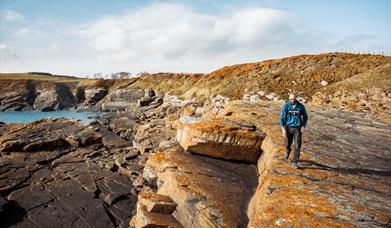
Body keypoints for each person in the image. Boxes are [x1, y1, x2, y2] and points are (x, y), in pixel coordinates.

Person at [279, 94, 308, 168]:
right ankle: (287, 151)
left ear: (296, 99)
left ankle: (295, 162)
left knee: (297, 145)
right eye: (291, 99)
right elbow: (282, 118)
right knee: (288, 143)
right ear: (289, 99)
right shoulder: (286, 106)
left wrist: (303, 126)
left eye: (294, 99)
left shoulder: (300, 106)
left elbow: (305, 116)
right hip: (288, 127)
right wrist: (283, 129)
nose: (293, 100)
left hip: (298, 128)